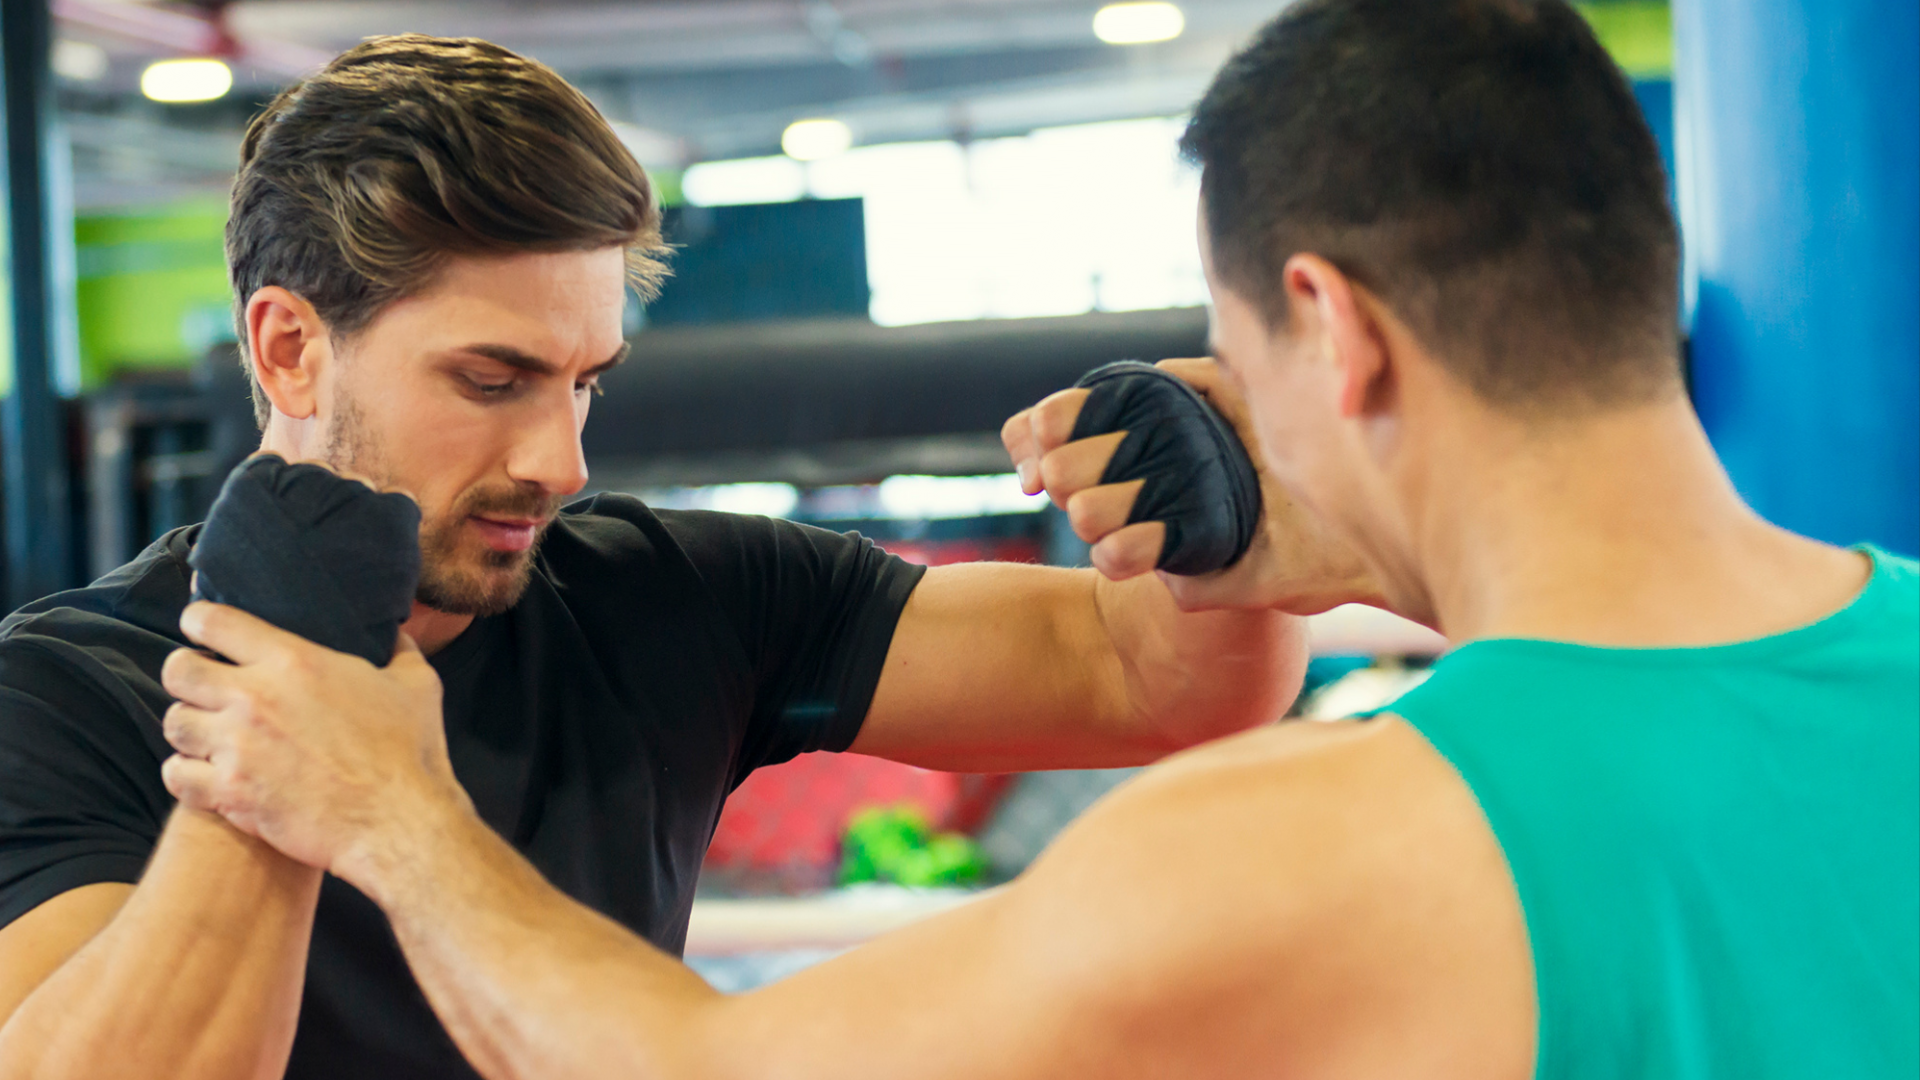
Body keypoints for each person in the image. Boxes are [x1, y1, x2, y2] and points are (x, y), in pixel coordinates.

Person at [140, 1, 1919, 1077]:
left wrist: (387, 810)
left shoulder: (1322, 842)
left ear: (1336, 329)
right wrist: (1263, 564)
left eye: (1240, 359)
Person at [0, 35, 1370, 1080]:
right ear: (289, 348)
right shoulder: (63, 698)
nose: (561, 459)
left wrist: (1220, 526)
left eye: (585, 382)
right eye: (492, 380)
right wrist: (288, 697)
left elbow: (1158, 685)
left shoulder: (667, 599)